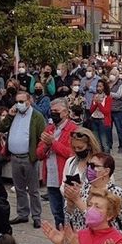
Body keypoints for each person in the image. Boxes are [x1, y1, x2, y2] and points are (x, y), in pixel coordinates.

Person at [6, 91, 46, 228]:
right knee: (19, 188)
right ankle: (23, 214)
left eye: (22, 101)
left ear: (29, 101)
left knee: (33, 189)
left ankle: (36, 216)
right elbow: (2, 127)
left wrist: (36, 154)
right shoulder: (14, 114)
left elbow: (43, 136)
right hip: (14, 157)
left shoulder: (36, 116)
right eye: (17, 101)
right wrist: (9, 117)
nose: (19, 104)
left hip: (29, 158)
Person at [37, 98, 78, 230]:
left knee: (69, 214)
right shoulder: (49, 128)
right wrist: (46, 146)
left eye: (56, 111)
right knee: (57, 214)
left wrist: (53, 143)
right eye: (51, 110)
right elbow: (39, 153)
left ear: (65, 112)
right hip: (51, 178)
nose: (53, 113)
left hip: (65, 179)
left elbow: (71, 154)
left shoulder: (73, 129)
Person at [65, 153, 122, 231]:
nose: (89, 168)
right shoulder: (85, 187)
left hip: (103, 240)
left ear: (106, 171)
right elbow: (70, 218)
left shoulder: (115, 192)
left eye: (93, 166)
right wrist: (70, 204)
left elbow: (101, 221)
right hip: (81, 237)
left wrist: (77, 201)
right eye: (88, 164)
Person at [89, 79, 113, 153]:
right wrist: (96, 103)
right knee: (97, 143)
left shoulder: (108, 98)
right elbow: (91, 110)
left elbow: (106, 111)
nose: (98, 88)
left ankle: (107, 160)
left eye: (100, 86)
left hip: (103, 121)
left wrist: (99, 103)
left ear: (104, 87)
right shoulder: (95, 96)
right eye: (97, 86)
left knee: (104, 143)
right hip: (94, 120)